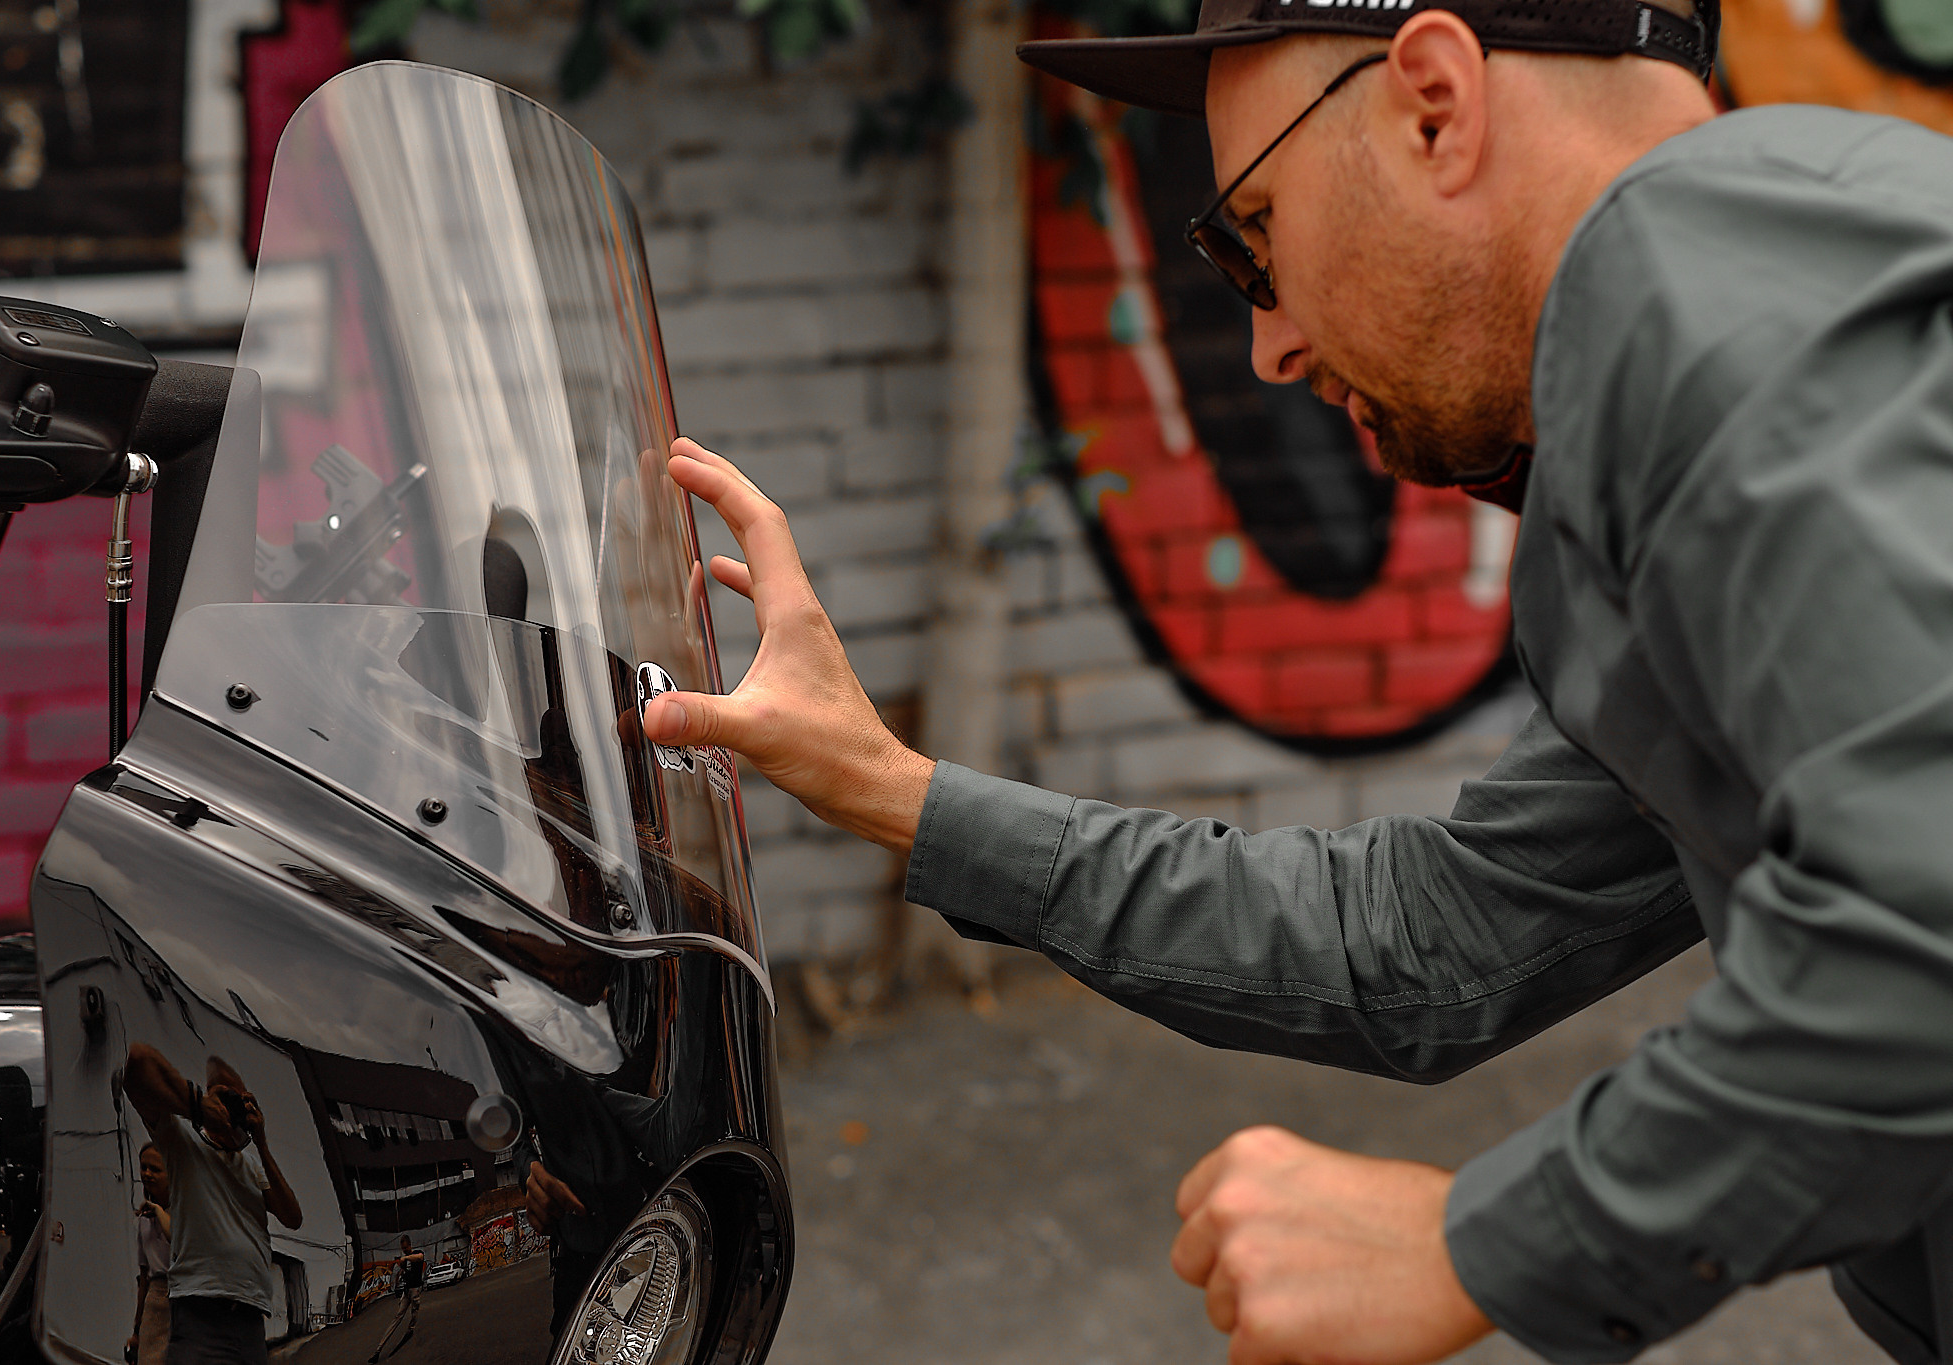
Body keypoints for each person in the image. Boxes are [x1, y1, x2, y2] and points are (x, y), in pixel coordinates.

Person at [631, 1, 1953, 1355]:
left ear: (1433, 105)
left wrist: (1482, 1242)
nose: (1268, 347)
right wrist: (890, 788)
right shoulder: (1771, 311)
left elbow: (1921, 926)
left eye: (1253, 235)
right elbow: (1429, 943)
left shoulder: (1705, 294)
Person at [123, 1046, 303, 1365]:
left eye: (241, 1099)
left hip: (251, 1322)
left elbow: (292, 1217)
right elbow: (137, 1066)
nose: (234, 1106)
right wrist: (197, 1105)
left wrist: (261, 1142)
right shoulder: (184, 1144)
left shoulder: (252, 1166)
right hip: (201, 1317)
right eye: (226, 1096)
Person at [126, 1143, 173, 1365]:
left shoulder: (185, 1213)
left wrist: (159, 1212)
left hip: (183, 1298)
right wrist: (137, 1330)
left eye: (155, 1169)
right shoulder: (144, 1220)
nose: (146, 1174)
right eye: (143, 1167)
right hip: (157, 1299)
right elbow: (144, 1279)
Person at [367, 1236, 425, 1364]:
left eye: (406, 1248)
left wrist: (405, 1258)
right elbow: (403, 1271)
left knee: (414, 1311)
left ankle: (411, 1329)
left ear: (410, 1245)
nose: (404, 1250)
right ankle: (378, 1350)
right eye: (403, 1249)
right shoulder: (404, 1260)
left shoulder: (416, 1253)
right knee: (397, 1316)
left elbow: (420, 1257)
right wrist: (399, 1276)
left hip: (415, 1290)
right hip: (407, 1290)